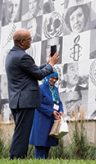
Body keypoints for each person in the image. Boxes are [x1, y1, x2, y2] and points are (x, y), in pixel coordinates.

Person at [5, 28, 59, 159]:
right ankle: (17, 158)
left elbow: (33, 70)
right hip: (25, 101)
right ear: (22, 42)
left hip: (17, 100)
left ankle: (15, 157)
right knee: (23, 133)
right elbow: (39, 75)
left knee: (20, 132)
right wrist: (51, 65)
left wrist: (47, 64)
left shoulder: (12, 55)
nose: (31, 40)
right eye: (29, 39)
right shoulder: (23, 56)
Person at [29, 71, 63, 159]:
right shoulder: (40, 88)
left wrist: (61, 110)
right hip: (42, 120)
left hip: (52, 120)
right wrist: (51, 111)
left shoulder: (55, 89)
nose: (54, 80)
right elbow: (38, 104)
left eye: (56, 78)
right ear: (47, 77)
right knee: (40, 144)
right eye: (52, 78)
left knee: (48, 143)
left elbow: (59, 102)